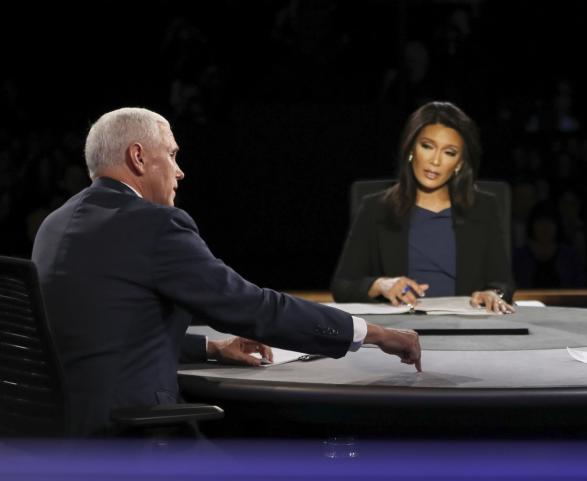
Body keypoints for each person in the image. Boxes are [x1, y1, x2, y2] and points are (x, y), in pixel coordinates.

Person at [31, 107, 421, 437]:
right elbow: (254, 308)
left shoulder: (54, 225)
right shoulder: (154, 225)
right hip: (131, 437)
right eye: (172, 154)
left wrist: (212, 347)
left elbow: (98, 332)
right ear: (138, 157)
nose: (179, 171)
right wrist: (373, 332)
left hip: (56, 432)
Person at [331, 101, 514, 313]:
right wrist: (381, 285)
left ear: (460, 163)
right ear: (411, 148)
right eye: (427, 146)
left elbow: (503, 283)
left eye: (449, 152)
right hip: (399, 331)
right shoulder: (375, 208)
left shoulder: (484, 208)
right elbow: (342, 286)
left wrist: (492, 294)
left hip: (465, 331)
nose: (435, 161)